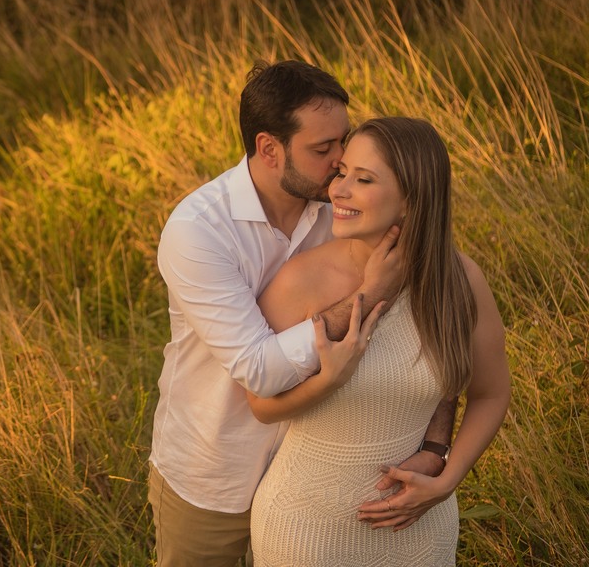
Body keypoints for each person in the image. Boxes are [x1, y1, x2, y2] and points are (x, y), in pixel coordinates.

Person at [148, 61, 453, 567]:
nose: (340, 163)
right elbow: (260, 369)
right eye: (323, 148)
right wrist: (369, 293)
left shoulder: (347, 206)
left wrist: (437, 444)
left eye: (344, 141)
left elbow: (436, 329)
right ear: (269, 148)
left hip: (315, 484)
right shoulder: (198, 232)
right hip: (215, 473)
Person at [247, 117, 511, 566]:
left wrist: (446, 478)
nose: (338, 189)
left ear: (412, 198)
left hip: (420, 526)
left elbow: (490, 393)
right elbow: (261, 405)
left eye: (363, 179)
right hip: (307, 531)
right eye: (342, 171)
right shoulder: (300, 281)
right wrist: (334, 368)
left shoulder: (459, 281)